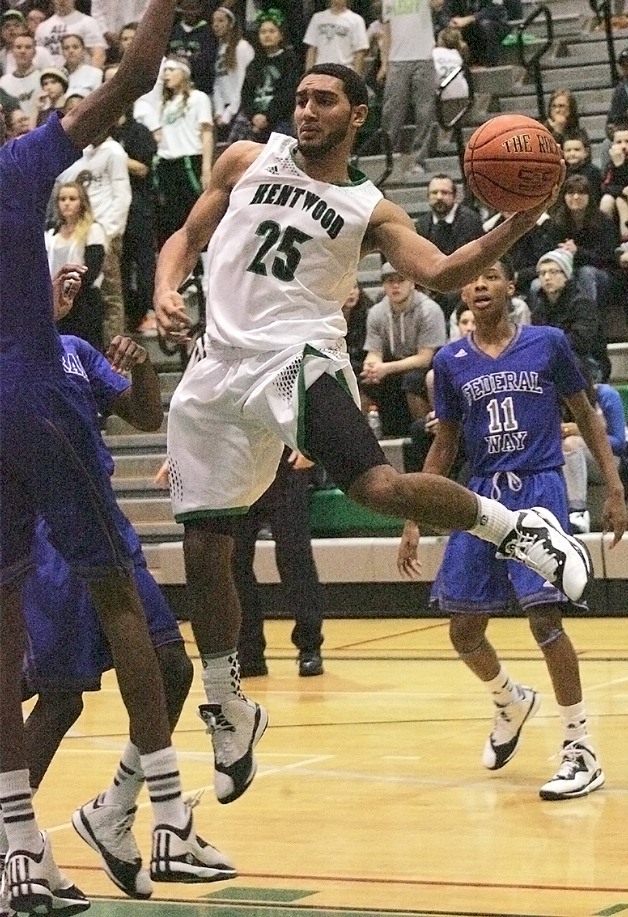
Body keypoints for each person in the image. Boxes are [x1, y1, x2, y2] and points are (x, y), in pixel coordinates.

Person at [154, 63, 600, 808]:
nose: (305, 110)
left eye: (323, 100)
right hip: (213, 366)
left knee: (377, 487)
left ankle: (517, 530)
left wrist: (520, 221)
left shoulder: (369, 206)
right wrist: (167, 287)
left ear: (358, 114)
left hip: (296, 354)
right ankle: (229, 703)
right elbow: (187, 234)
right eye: (299, 98)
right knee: (207, 545)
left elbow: (445, 271)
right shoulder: (243, 158)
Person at [0, 2, 236, 914]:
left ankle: (20, 846)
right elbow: (136, 76)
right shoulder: (17, 165)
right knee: (116, 592)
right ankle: (168, 812)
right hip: (30, 387)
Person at [0, 268, 196, 906]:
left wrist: (139, 366)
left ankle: (112, 809)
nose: (63, 286)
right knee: (59, 697)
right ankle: (14, 841)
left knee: (172, 668)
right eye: (46, 279)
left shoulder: (80, 354)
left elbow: (144, 415)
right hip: (49, 541)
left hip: (104, 523)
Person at [397, 261, 626, 799]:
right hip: (479, 498)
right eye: (472, 278)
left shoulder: (548, 343)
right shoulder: (451, 363)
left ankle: (580, 747)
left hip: (538, 488)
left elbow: (589, 416)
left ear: (509, 286)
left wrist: (614, 488)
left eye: (492, 275)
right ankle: (509, 699)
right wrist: (413, 511)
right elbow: (446, 443)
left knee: (544, 619)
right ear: (463, 294)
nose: (480, 283)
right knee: (463, 630)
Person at [234, 447, 326, 678]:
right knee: (236, 561)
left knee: (294, 555)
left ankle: (310, 646)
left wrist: (307, 445)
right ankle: (249, 652)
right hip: (242, 463)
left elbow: (307, 409)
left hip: (285, 461)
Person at [360, 261, 447, 436]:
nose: (395, 285)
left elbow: (425, 358)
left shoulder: (429, 310)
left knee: (412, 380)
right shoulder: (376, 312)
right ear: (383, 285)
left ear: (412, 282)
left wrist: (385, 368)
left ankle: (425, 432)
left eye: (401, 280)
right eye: (390, 281)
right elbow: (374, 353)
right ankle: (365, 440)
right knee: (362, 381)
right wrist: (371, 367)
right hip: (392, 366)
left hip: (425, 366)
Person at [153, 57, 214, 246]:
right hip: (166, 163)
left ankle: (202, 267)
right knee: (171, 217)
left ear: (184, 73)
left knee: (195, 214)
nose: (166, 74)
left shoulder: (199, 98)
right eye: (164, 71)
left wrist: (206, 167)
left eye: (171, 70)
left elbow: (206, 133)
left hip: (188, 161)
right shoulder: (165, 103)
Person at [376, 0, 437, 180]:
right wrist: (384, 62)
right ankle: (388, 159)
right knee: (391, 112)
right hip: (396, 60)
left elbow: (438, 4)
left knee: (425, 112)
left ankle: (419, 160)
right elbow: (386, 32)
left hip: (424, 58)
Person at [530, 249, 611, 383]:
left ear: (566, 275)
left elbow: (581, 342)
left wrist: (548, 346)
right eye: (542, 273)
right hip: (553, 362)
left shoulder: (583, 303)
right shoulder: (539, 309)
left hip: (589, 363)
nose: (547, 277)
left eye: (553, 272)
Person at [45, 179, 106, 350]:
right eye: (62, 199)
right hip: (55, 299)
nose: (67, 204)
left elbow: (92, 269)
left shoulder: (93, 230)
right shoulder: (51, 233)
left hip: (83, 301)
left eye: (72, 199)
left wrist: (71, 289)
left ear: (82, 202)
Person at [227, 7, 299, 144]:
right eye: (263, 32)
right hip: (252, 117)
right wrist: (254, 115)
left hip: (278, 117)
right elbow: (246, 93)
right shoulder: (254, 63)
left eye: (272, 31)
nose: (267, 35)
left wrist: (268, 116)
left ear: (281, 35)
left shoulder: (289, 61)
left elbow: (289, 92)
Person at [210, 6, 253, 141]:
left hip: (239, 109)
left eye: (221, 21)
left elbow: (243, 82)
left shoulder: (242, 47)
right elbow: (218, 82)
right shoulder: (219, 49)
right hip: (224, 110)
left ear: (231, 24)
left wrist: (229, 113)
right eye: (214, 21)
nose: (216, 25)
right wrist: (218, 111)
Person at [303, 0, 369, 75]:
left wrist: (356, 77)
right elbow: (312, 49)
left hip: (344, 71)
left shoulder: (356, 20)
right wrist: (308, 74)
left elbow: (359, 51)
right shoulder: (318, 18)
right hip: (320, 70)